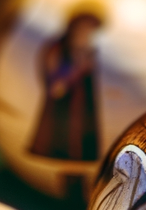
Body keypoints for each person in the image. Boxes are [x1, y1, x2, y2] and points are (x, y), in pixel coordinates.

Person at [30, 9, 103, 160]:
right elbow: (57, 85)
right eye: (85, 29)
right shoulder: (58, 48)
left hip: (82, 106)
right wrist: (78, 68)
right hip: (62, 106)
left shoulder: (87, 50)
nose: (87, 34)